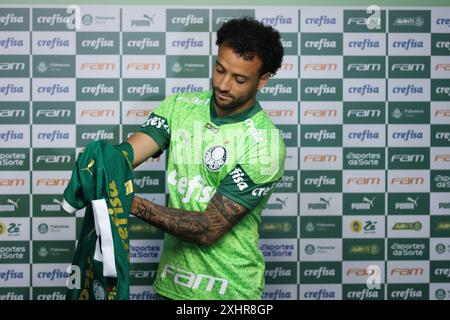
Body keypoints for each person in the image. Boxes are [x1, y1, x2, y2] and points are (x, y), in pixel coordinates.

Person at [126, 17, 286, 300]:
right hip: (171, 287)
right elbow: (131, 152)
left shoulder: (266, 144)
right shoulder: (179, 106)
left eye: (239, 79)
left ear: (262, 80)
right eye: (219, 69)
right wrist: (105, 161)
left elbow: (207, 228)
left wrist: (129, 202)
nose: (223, 85)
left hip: (231, 294)